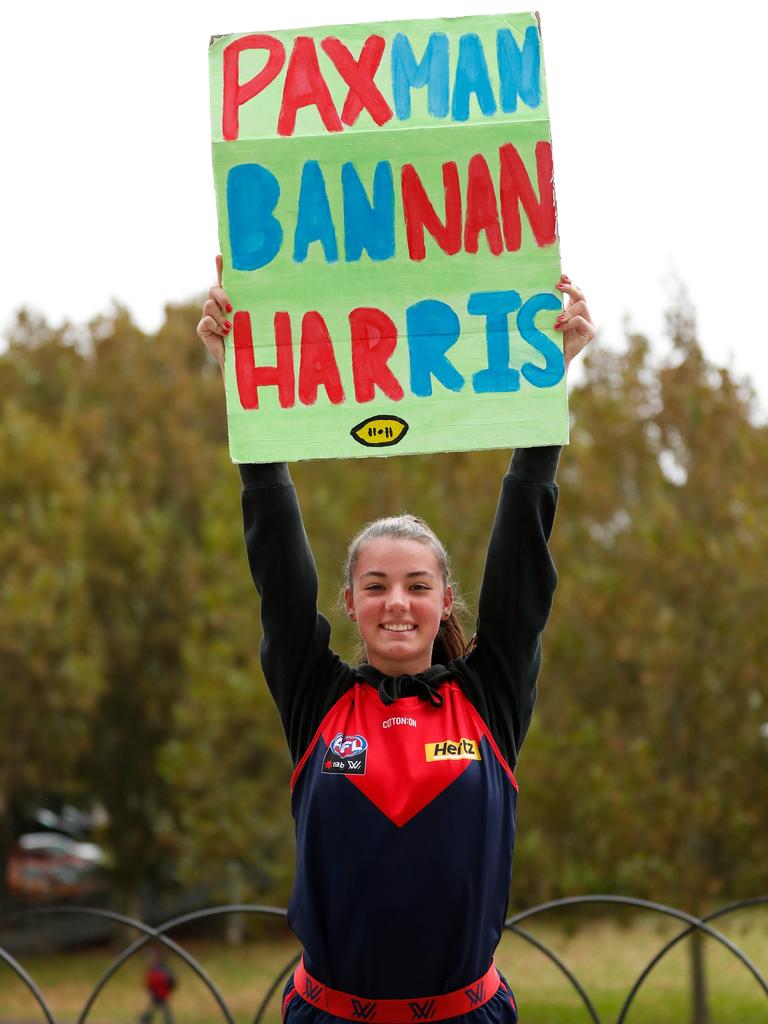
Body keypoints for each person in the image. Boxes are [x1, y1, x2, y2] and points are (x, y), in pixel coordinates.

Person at [197, 265, 594, 1023]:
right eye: (375, 585)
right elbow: (278, 569)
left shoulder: (490, 695)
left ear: (447, 598)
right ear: (348, 602)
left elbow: (521, 566)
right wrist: (246, 396)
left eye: (417, 584)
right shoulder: (318, 697)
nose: (397, 603)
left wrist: (548, 386)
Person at [139, 947, 176, 1024]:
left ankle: (147, 1019)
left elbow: (163, 979)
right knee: (158, 1005)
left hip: (159, 991)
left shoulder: (160, 968)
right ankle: (147, 1018)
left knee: (159, 1005)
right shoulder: (155, 967)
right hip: (157, 990)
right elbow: (151, 979)